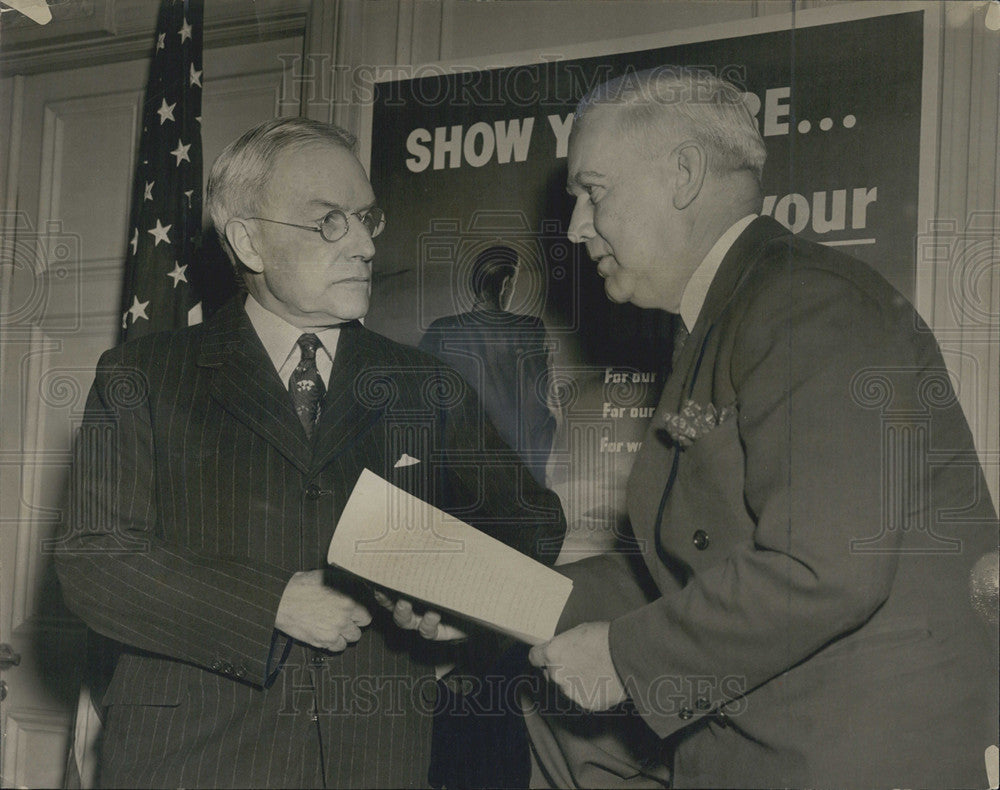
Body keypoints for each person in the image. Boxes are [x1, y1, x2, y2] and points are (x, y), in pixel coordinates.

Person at [55, 117, 564, 788]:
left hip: (375, 761)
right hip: (187, 759)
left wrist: (456, 596)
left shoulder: (427, 383)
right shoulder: (144, 377)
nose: (363, 245)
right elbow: (95, 562)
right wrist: (270, 604)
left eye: (366, 219)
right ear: (249, 241)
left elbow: (532, 519)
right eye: (330, 222)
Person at [525, 67, 999, 788]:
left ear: (683, 175)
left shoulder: (806, 305)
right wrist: (501, 597)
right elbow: (694, 567)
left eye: (594, 193)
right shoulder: (739, 311)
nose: (577, 226)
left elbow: (824, 568)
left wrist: (627, 659)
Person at [418, 244, 556, 485]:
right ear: (505, 285)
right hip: (514, 471)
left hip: (454, 473)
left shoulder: (440, 330)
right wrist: (539, 480)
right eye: (512, 284)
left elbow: (419, 405)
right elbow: (543, 410)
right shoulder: (529, 329)